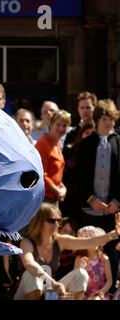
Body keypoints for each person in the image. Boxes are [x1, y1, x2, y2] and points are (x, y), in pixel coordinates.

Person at [14, 202, 120, 300]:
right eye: (51, 221)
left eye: (58, 221)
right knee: (31, 274)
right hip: (26, 293)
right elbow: (29, 264)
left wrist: (113, 235)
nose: (56, 225)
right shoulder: (27, 242)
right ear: (39, 222)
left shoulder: (60, 240)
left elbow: (90, 242)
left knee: (81, 274)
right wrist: (53, 283)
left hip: (49, 293)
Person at [76, 98, 120, 294]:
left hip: (113, 210)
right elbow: (80, 178)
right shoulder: (86, 143)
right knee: (90, 250)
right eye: (104, 118)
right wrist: (90, 199)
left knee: (112, 251)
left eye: (111, 118)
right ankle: (88, 290)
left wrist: (117, 201)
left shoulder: (119, 141)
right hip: (91, 209)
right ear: (96, 120)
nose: (108, 122)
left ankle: (110, 290)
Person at [60, 120, 95, 225]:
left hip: (86, 200)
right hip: (68, 198)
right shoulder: (69, 149)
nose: (89, 137)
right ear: (81, 133)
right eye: (87, 133)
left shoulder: (97, 153)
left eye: (92, 134)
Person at [35, 109, 71, 205]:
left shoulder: (56, 143)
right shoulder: (43, 144)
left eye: (64, 125)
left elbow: (55, 174)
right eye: (58, 124)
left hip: (54, 197)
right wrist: (58, 191)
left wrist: (63, 188)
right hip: (44, 199)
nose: (61, 128)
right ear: (51, 124)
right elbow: (41, 175)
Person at [74, 226, 113, 300]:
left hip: (100, 293)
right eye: (92, 240)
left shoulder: (104, 259)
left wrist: (101, 292)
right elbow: (75, 279)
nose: (94, 243)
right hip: (82, 293)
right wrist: (79, 293)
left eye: (97, 240)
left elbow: (109, 281)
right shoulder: (79, 259)